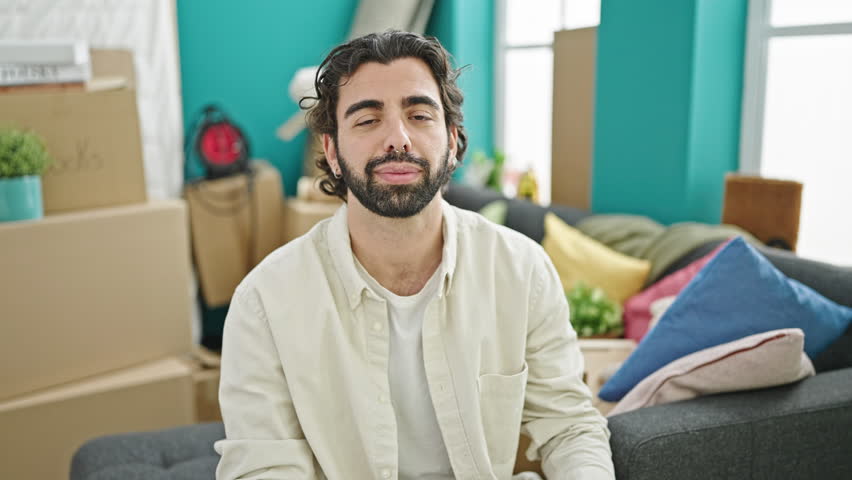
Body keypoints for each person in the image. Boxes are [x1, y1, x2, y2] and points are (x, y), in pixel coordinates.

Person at [214, 30, 614, 480]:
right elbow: (264, 467)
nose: (398, 139)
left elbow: (569, 428)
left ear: (452, 140)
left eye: (419, 115)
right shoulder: (265, 303)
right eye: (368, 120)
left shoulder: (521, 270)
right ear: (332, 151)